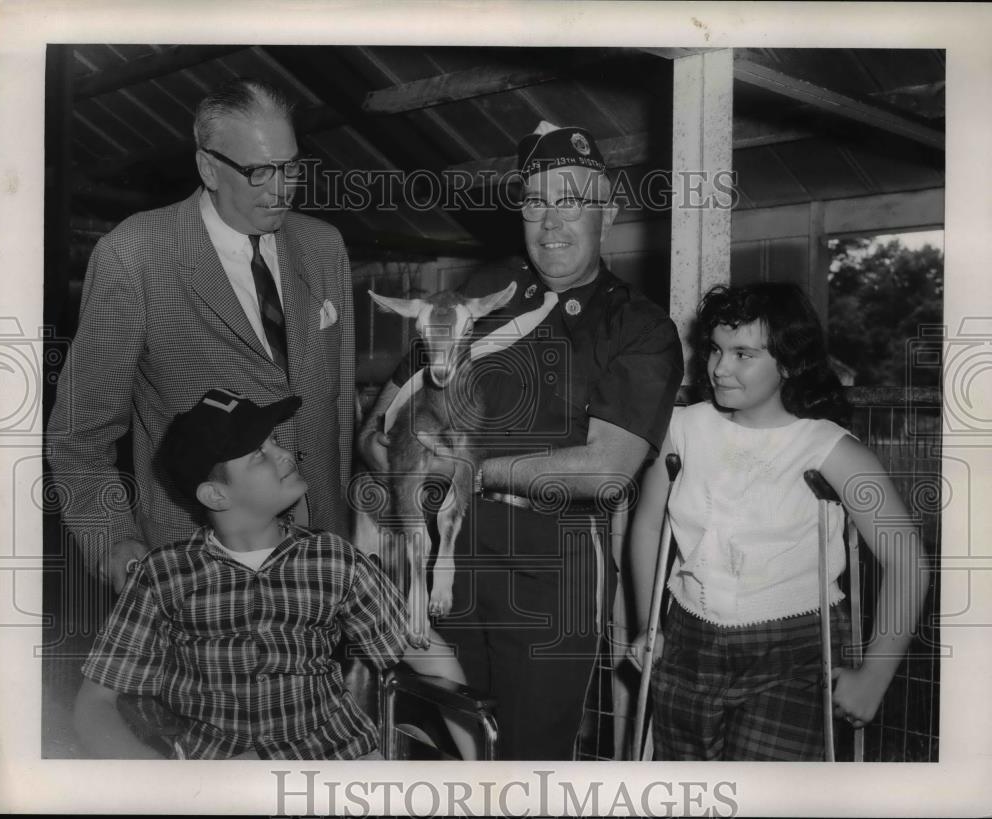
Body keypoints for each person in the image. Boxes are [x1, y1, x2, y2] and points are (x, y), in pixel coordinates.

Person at [358, 121, 683, 760]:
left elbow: (605, 471)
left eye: (571, 201)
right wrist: (400, 475)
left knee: (531, 758)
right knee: (450, 739)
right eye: (535, 203)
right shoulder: (483, 296)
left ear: (607, 213)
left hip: (549, 564)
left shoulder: (639, 328)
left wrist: (467, 470)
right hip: (447, 550)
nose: (550, 221)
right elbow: (384, 420)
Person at [46, 78, 355, 592]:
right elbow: (78, 434)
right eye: (259, 171)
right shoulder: (136, 255)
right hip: (194, 569)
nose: (283, 189)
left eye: (291, 166)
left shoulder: (323, 246)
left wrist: (342, 546)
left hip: (319, 569)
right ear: (208, 167)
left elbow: (335, 415)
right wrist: (113, 542)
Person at [74, 388, 473, 760]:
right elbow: (94, 705)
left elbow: (433, 660)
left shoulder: (331, 559)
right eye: (259, 454)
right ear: (216, 495)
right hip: (223, 784)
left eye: (275, 441)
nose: (284, 455)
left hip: (337, 764)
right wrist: (160, 784)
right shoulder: (163, 577)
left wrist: (483, 772)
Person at [628, 282, 930, 761]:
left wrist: (875, 675)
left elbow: (907, 561)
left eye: (744, 354)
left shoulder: (831, 448)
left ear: (788, 363)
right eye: (716, 349)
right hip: (689, 637)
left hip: (793, 648)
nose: (720, 368)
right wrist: (651, 627)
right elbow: (647, 527)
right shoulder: (683, 429)